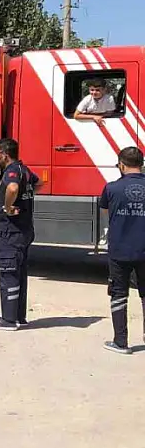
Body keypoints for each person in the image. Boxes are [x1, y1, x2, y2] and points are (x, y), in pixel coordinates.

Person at [0, 137, 40, 331]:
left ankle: (8, 320)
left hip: (11, 231)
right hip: (24, 230)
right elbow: (38, 184)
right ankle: (18, 316)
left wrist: (8, 207)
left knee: (8, 273)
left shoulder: (12, 172)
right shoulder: (25, 170)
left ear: (5, 155)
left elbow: (13, 188)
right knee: (19, 274)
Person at [98, 146, 145, 354]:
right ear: (141, 165)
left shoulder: (111, 188)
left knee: (118, 294)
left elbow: (105, 213)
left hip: (120, 250)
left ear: (122, 165)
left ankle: (120, 342)